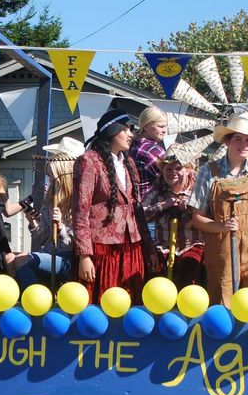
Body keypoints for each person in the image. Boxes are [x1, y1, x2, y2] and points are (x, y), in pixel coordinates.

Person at [190, 110, 248, 309]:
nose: (244, 145)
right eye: (238, 139)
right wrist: (221, 226)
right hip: (223, 255)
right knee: (223, 311)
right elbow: (197, 218)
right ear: (227, 141)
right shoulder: (209, 172)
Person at [72, 110, 153, 302]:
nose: (131, 135)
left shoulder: (129, 164)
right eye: (126, 129)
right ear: (112, 131)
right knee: (103, 302)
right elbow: (80, 211)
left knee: (130, 303)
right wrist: (84, 255)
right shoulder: (89, 161)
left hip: (132, 247)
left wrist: (149, 249)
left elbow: (137, 210)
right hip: (102, 250)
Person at [9, 136, 81, 289]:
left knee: (21, 260)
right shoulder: (50, 200)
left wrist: (61, 227)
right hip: (49, 253)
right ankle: (33, 295)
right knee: (10, 258)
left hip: (68, 258)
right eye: (49, 176)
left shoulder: (77, 201)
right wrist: (34, 225)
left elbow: (74, 245)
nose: (49, 180)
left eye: (52, 176)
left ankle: (33, 299)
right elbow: (43, 239)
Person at [141, 146, 205, 289]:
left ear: (187, 169)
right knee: (157, 279)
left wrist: (191, 205)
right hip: (163, 246)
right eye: (168, 169)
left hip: (191, 245)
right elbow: (141, 214)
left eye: (178, 168)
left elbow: (209, 211)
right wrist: (163, 205)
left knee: (188, 272)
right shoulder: (157, 191)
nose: (173, 173)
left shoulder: (198, 189)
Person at [129, 106, 168, 202]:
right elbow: (170, 178)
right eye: (160, 126)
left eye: (166, 126)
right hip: (152, 203)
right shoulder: (152, 150)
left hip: (135, 201)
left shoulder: (131, 144)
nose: (164, 130)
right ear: (146, 126)